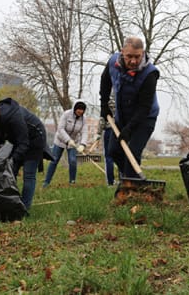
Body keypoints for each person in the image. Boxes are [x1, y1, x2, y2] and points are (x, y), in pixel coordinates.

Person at [99, 36, 160, 192]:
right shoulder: (113, 62)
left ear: (143, 53)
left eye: (137, 56)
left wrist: (129, 129)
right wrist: (104, 105)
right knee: (113, 150)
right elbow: (105, 80)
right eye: (130, 56)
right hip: (122, 116)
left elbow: (144, 107)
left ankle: (130, 191)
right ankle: (132, 179)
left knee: (132, 152)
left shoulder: (150, 74)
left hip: (144, 118)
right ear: (122, 53)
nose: (133, 61)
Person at [0, 98, 53, 209]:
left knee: (29, 174)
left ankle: (24, 207)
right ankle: (11, 202)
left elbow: (24, 143)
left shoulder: (13, 116)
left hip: (35, 138)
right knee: (10, 172)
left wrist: (12, 160)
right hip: (18, 140)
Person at [42, 99, 88, 187]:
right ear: (74, 108)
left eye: (82, 109)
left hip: (74, 142)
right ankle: (46, 182)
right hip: (60, 140)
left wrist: (82, 144)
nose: (80, 111)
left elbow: (85, 132)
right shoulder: (66, 114)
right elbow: (60, 128)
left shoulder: (83, 119)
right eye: (79, 109)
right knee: (54, 160)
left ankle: (72, 182)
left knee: (73, 161)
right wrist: (68, 140)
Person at [96, 96, 116, 186]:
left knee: (108, 157)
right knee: (121, 156)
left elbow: (102, 119)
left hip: (109, 130)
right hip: (121, 130)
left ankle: (110, 182)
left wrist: (98, 133)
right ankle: (123, 180)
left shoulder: (106, 102)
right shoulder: (121, 100)